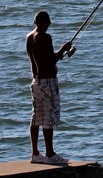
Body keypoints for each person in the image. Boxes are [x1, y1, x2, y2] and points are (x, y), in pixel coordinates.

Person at [25, 11, 74, 165]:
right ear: (44, 22)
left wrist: (58, 53)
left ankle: (35, 154)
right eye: (48, 23)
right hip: (48, 82)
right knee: (49, 118)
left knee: (36, 118)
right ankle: (50, 155)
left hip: (36, 82)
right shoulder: (45, 37)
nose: (48, 26)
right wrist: (63, 49)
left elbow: (41, 57)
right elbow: (50, 61)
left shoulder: (29, 37)